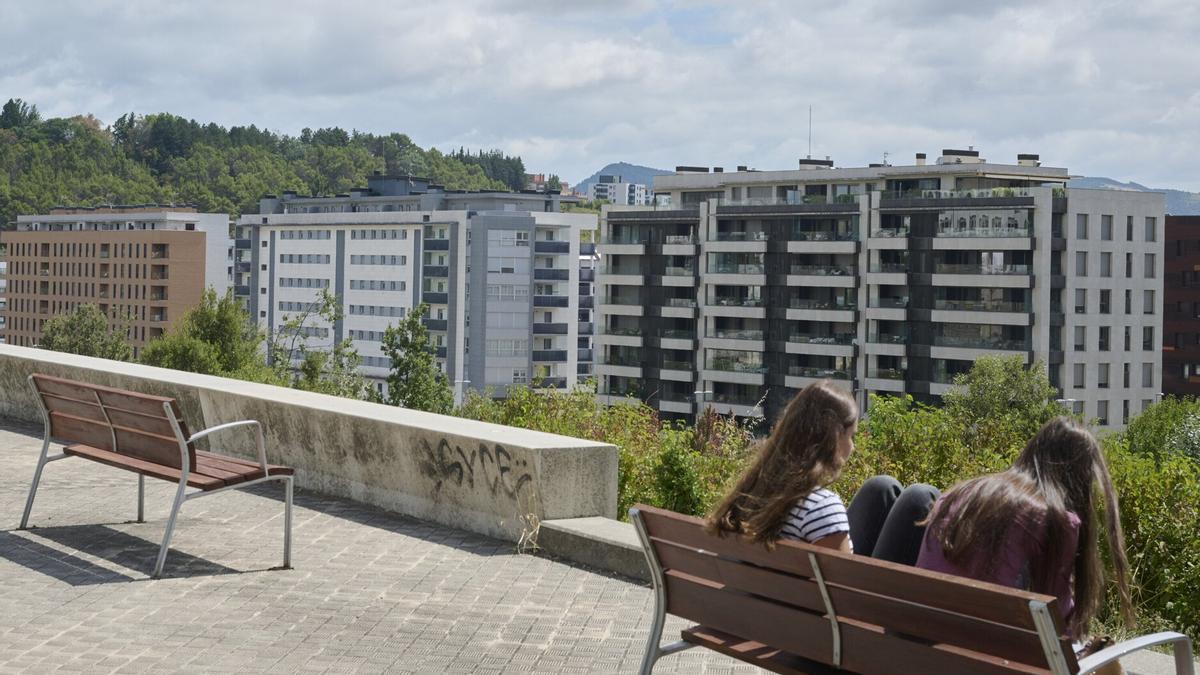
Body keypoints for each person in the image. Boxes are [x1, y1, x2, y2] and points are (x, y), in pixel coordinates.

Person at [916, 417, 1134, 638]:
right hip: (982, 656)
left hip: (921, 648)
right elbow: (1056, 627)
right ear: (1081, 478)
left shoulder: (959, 494)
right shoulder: (1055, 522)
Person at [707, 380, 939, 564]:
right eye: (851, 436)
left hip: (755, 612)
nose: (853, 446)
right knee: (921, 497)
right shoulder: (820, 507)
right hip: (822, 620)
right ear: (833, 438)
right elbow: (842, 593)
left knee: (881, 487)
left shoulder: (750, 492)